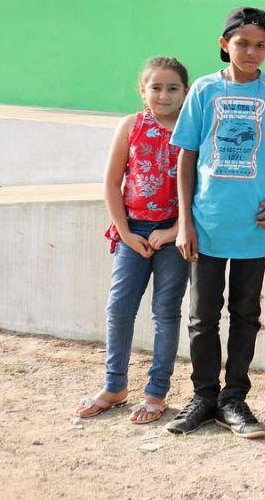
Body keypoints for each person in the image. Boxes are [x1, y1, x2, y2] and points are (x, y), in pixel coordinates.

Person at [167, 7, 265, 439]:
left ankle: (234, 399)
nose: (251, 52)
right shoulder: (204, 90)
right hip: (208, 222)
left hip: (256, 224)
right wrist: (184, 221)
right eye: (242, 44)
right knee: (202, 316)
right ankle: (203, 397)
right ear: (225, 45)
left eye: (260, 45)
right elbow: (187, 157)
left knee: (246, 313)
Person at [75, 57, 190, 426]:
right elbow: (112, 183)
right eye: (156, 87)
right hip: (132, 231)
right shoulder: (131, 126)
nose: (164, 95)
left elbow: (201, 190)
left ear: (185, 92)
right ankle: (114, 386)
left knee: (165, 312)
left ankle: (156, 393)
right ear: (143, 91)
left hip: (174, 235)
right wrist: (125, 232)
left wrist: (174, 231)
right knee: (119, 307)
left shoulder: (193, 129)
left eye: (172, 88)